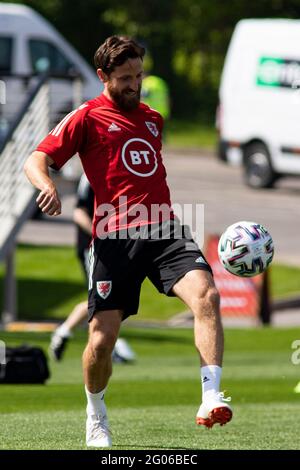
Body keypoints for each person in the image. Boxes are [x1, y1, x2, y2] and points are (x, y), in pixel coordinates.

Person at [24, 35, 232, 448]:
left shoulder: (153, 118)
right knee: (101, 342)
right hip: (114, 240)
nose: (134, 84)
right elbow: (36, 158)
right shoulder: (86, 116)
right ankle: (95, 413)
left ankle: (211, 397)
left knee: (207, 297)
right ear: (103, 76)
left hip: (163, 229)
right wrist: (46, 184)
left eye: (138, 75)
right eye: (124, 78)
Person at [49, 173, 135, 364]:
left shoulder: (118, 169)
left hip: (113, 247)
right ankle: (95, 343)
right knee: (101, 299)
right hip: (93, 248)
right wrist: (99, 235)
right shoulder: (90, 176)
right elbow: (79, 212)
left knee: (108, 298)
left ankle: (65, 333)